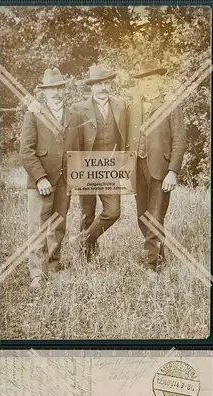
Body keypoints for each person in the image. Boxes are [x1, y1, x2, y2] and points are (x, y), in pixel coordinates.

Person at [20, 67, 82, 289]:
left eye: (59, 87)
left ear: (64, 89)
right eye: (50, 88)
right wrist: (40, 178)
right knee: (37, 226)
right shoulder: (33, 114)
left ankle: (54, 266)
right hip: (40, 182)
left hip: (65, 180)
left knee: (58, 224)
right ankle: (36, 273)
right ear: (44, 92)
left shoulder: (74, 115)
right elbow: (25, 151)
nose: (55, 92)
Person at [126, 61, 186, 275]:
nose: (147, 84)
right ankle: (159, 255)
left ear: (160, 81)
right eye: (143, 81)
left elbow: (179, 140)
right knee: (142, 215)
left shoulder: (171, 104)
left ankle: (150, 265)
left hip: (161, 169)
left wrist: (173, 171)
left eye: (151, 80)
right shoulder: (133, 107)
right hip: (137, 167)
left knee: (155, 214)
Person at [73, 64, 126, 261]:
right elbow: (71, 137)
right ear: (91, 87)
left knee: (113, 211)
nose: (103, 87)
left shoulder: (121, 105)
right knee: (87, 213)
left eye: (105, 83)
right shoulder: (78, 109)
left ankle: (82, 239)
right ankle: (86, 257)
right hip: (85, 168)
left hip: (110, 169)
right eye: (98, 84)